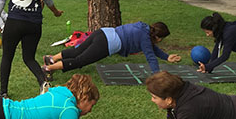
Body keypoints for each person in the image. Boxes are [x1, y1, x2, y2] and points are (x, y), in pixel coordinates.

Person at [42, 22, 181, 80]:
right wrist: (158, 76)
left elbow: (151, 49)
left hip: (103, 32)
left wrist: (167, 57)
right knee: (80, 60)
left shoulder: (144, 28)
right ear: (158, 37)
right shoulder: (145, 38)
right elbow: (150, 56)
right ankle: (48, 68)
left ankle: (52, 58)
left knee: (77, 51)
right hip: (106, 43)